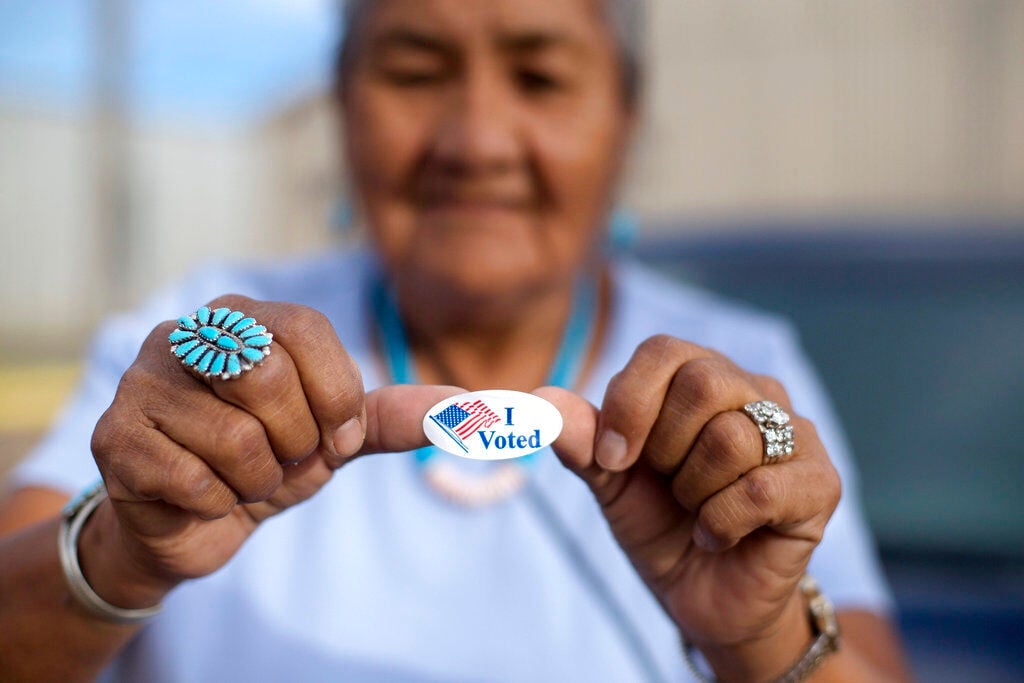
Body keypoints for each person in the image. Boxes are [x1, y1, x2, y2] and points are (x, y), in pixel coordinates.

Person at [0, 1, 912, 681]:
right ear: (343, 110)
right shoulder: (211, 334)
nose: (476, 140)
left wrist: (757, 634)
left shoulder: (738, 373)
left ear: (624, 123)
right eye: (414, 69)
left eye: (541, 77)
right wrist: (122, 549)